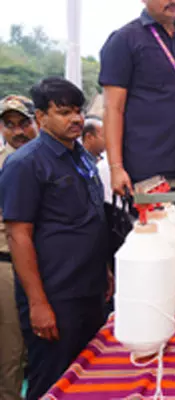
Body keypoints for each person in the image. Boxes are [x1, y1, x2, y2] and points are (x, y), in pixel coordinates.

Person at [0, 77, 110, 400]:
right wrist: (37, 303)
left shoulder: (82, 156)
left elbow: (90, 218)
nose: (75, 119)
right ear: (42, 118)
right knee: (51, 380)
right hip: (54, 296)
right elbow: (19, 235)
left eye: (77, 111)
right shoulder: (25, 164)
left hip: (88, 291)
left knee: (85, 377)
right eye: (63, 112)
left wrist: (103, 270)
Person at [99, 0, 175, 197]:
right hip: (149, 169)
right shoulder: (124, 41)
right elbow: (113, 109)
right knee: (157, 228)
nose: (174, 1)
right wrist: (116, 167)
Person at [0, 95, 37, 400]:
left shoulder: (50, 158)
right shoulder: (5, 164)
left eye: (23, 123)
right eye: (9, 125)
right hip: (8, 265)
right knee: (11, 351)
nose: (17, 132)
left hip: (48, 264)